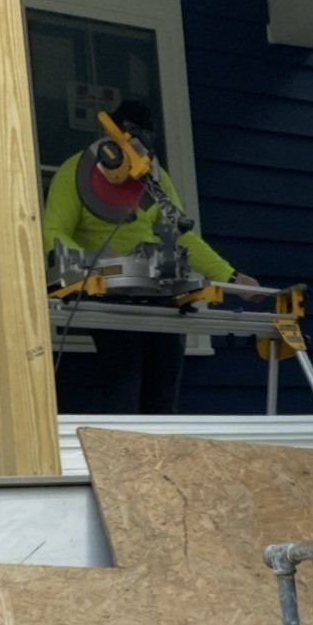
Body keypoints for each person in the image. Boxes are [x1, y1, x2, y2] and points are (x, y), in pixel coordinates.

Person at [42, 100, 257, 415]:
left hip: (159, 292)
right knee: (125, 387)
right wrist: (90, 266)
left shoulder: (154, 179)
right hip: (108, 295)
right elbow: (54, 231)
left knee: (163, 391)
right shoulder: (76, 173)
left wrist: (230, 276)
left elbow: (181, 233)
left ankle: (162, 463)